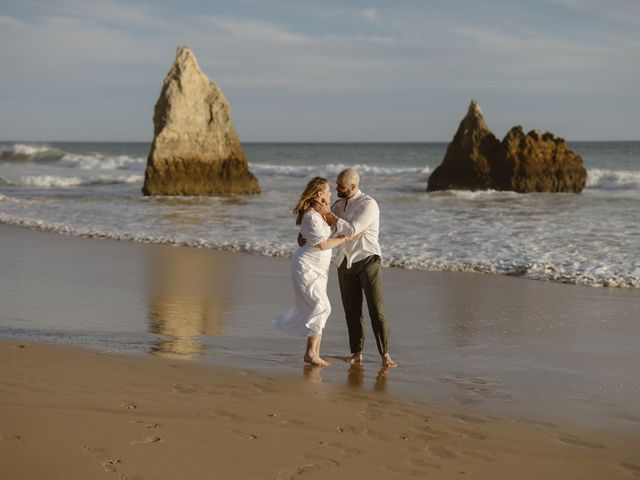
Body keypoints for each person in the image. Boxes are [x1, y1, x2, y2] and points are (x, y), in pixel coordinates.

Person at [311, 169, 397, 368]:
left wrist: (330, 216)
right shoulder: (338, 205)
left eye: (341, 186)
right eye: (336, 184)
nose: (337, 188)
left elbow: (351, 230)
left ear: (353, 186)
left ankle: (385, 354)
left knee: (376, 309)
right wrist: (317, 217)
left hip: (368, 260)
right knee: (351, 310)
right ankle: (356, 353)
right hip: (344, 261)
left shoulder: (369, 204)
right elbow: (326, 228)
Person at [274, 177, 360, 367]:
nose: (331, 194)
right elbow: (322, 244)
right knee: (322, 306)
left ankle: (313, 353)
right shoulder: (312, 216)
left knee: (317, 308)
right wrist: (346, 238)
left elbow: (314, 235)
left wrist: (330, 216)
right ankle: (311, 353)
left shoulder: (320, 213)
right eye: (328, 191)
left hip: (319, 268)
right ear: (320, 194)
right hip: (306, 267)